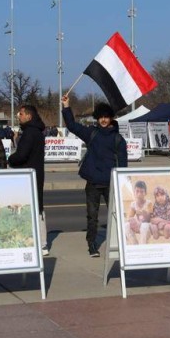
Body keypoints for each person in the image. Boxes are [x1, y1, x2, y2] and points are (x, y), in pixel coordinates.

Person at [62, 94, 127, 257]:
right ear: (97, 118)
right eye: (101, 117)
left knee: (117, 215)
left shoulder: (118, 139)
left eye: (107, 117)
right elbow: (72, 126)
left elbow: (123, 165)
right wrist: (66, 106)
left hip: (111, 184)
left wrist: (122, 184)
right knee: (92, 217)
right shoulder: (92, 133)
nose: (103, 120)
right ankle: (92, 244)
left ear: (111, 118)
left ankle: (123, 243)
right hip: (93, 183)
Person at [8, 104, 49, 255]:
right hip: (36, 173)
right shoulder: (37, 131)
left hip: (28, 176)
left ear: (29, 116)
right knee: (37, 206)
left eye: (21, 114)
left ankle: (40, 243)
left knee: (32, 208)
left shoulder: (30, 133)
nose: (18, 116)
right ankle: (41, 242)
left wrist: (10, 159)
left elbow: (21, 155)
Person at [123, 180, 152, 245]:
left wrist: (143, 214)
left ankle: (143, 245)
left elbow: (150, 217)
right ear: (134, 192)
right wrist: (133, 221)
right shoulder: (133, 204)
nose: (139, 194)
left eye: (142, 191)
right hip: (138, 225)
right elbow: (130, 217)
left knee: (144, 226)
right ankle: (135, 245)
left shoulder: (148, 203)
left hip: (147, 225)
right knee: (126, 225)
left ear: (145, 193)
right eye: (137, 191)